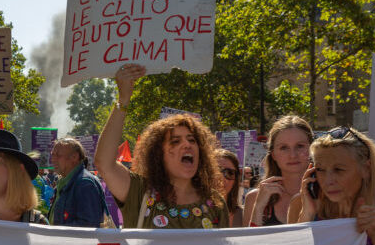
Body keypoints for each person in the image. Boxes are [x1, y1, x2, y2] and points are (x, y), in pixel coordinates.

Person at [94, 64, 228, 229]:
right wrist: (123, 100)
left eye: (192, 140)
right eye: (175, 141)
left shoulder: (216, 204)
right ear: (158, 155)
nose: (187, 144)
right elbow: (104, 163)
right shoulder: (139, 192)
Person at [244, 115, 313, 227]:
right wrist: (259, 207)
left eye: (300, 146)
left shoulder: (327, 195)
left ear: (312, 149)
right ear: (273, 154)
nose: (292, 155)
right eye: (283, 148)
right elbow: (248, 243)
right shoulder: (254, 198)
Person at [48, 137, 108, 227]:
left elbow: (88, 226)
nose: (53, 159)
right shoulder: (65, 182)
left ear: (74, 157)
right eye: (52, 155)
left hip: (67, 240)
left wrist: (57, 233)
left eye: (58, 155)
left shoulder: (84, 184)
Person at [216, 149, 244, 227]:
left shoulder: (244, 215)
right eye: (216, 171)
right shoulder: (193, 213)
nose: (222, 178)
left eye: (230, 173)